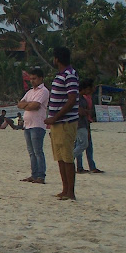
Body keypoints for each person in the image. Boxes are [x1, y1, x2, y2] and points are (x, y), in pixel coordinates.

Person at [44, 46, 79, 201]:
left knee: (67, 157)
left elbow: (72, 99)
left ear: (57, 59)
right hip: (58, 123)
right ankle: (65, 189)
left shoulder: (69, 75)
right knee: (60, 157)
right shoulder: (62, 74)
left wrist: (55, 117)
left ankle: (70, 192)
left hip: (65, 122)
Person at [17, 67, 50, 184]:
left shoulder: (44, 91)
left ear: (41, 78)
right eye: (31, 79)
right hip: (28, 125)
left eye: (34, 78)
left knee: (38, 151)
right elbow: (19, 104)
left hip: (37, 124)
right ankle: (34, 174)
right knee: (32, 152)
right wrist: (27, 105)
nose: (32, 81)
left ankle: (41, 176)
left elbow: (35, 106)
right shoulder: (30, 92)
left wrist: (26, 105)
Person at [74, 79, 104, 175]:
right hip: (80, 124)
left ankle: (82, 166)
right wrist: (86, 112)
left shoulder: (83, 98)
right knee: (82, 144)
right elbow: (80, 111)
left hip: (84, 123)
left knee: (83, 144)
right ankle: (74, 162)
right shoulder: (78, 98)